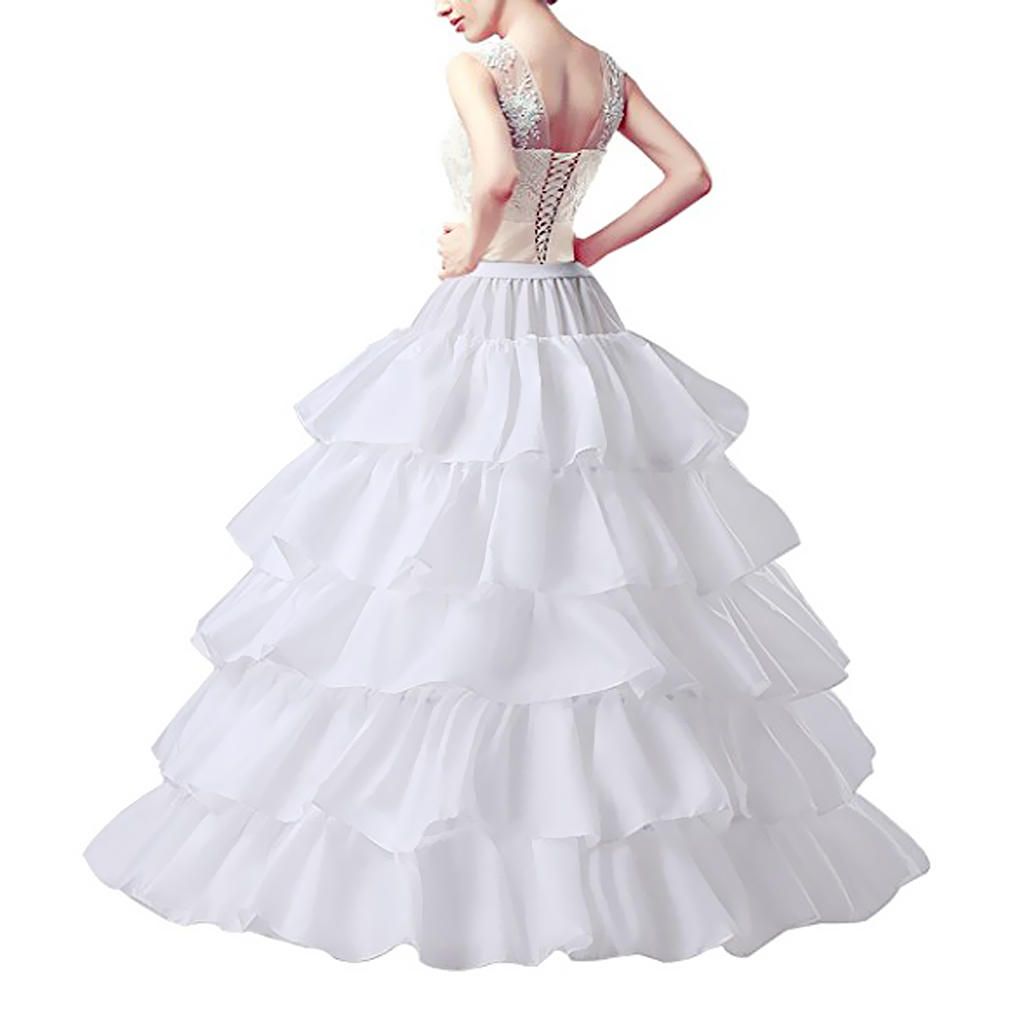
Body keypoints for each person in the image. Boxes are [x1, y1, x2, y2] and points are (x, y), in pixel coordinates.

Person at [83, 0, 929, 969]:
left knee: (443, 541)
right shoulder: (604, 72)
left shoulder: (480, 69)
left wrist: (472, 245)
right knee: (591, 546)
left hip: (485, 312)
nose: (441, 5)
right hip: (575, 317)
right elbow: (690, 174)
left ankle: (459, 818)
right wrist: (589, 248)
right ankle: (591, 831)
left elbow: (494, 177)